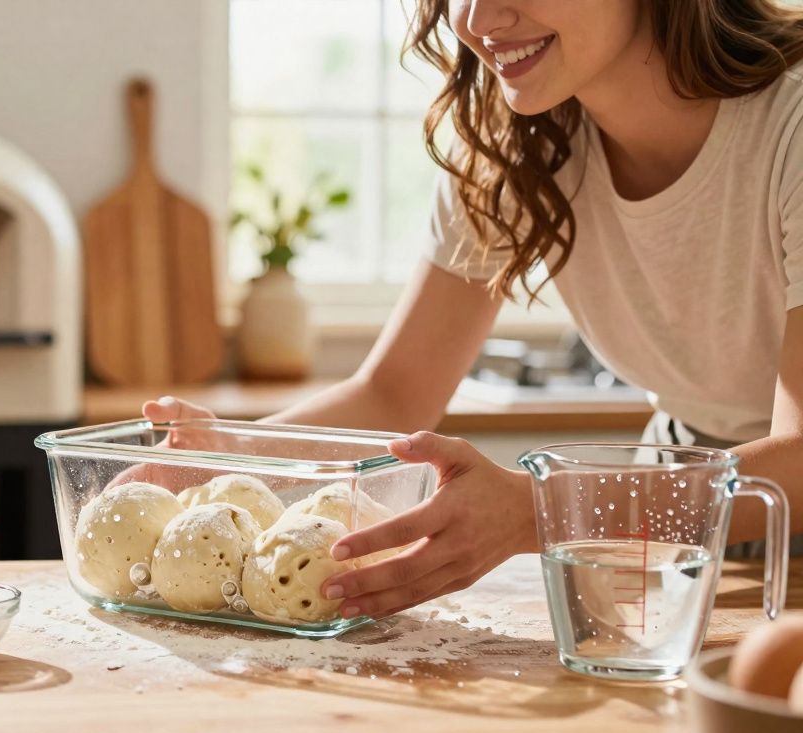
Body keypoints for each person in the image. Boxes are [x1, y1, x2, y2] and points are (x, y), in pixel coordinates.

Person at [145, 0, 803, 622]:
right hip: (683, 506)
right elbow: (394, 390)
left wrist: (539, 510)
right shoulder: (511, 141)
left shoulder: (791, 126)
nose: (476, 19)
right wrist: (237, 454)